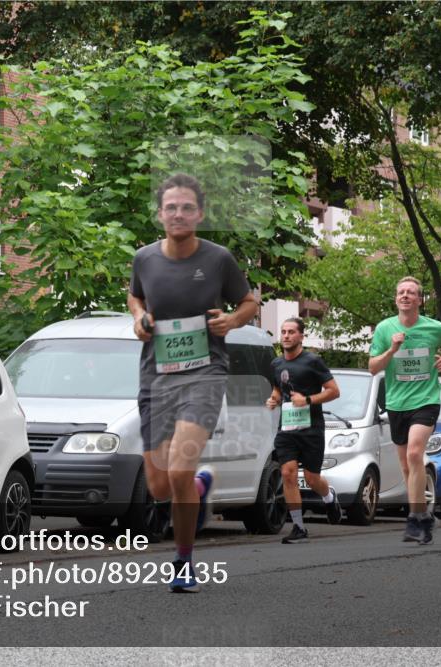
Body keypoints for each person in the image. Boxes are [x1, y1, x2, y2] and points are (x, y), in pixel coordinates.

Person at [127, 173, 258, 593]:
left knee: (180, 468)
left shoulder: (218, 259)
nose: (178, 214)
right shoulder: (144, 258)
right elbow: (135, 296)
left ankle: (183, 563)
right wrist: (139, 318)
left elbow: (249, 301)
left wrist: (232, 320)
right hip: (156, 378)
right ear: (160, 214)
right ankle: (200, 485)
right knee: (159, 486)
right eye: (171, 207)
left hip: (204, 373)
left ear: (200, 214)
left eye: (187, 207)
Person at [369, 276, 441, 545]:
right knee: (407, 467)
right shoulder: (385, 328)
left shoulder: (433, 328)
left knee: (414, 453)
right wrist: (392, 349)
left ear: (420, 300)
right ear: (396, 298)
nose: (405, 296)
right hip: (397, 403)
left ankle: (414, 518)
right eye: (401, 292)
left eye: (411, 292)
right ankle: (425, 517)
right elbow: (373, 368)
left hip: (426, 400)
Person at [265, 318, 342, 544]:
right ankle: (299, 527)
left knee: (311, 478)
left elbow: (334, 391)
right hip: (287, 429)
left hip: (311, 429)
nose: (286, 336)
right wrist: (273, 399)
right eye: (283, 332)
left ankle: (329, 497)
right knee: (288, 473)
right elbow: (278, 389)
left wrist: (307, 400)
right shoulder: (276, 364)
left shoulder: (313, 361)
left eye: (291, 332)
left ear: (301, 336)